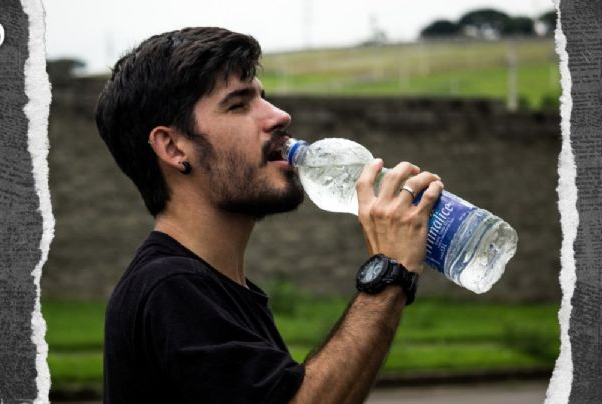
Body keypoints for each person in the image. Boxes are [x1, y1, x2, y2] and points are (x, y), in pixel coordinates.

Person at [96, 27, 443, 404]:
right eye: (238, 104)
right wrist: (390, 271)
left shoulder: (218, 288)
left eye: (264, 97)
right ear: (174, 147)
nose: (279, 116)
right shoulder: (170, 288)